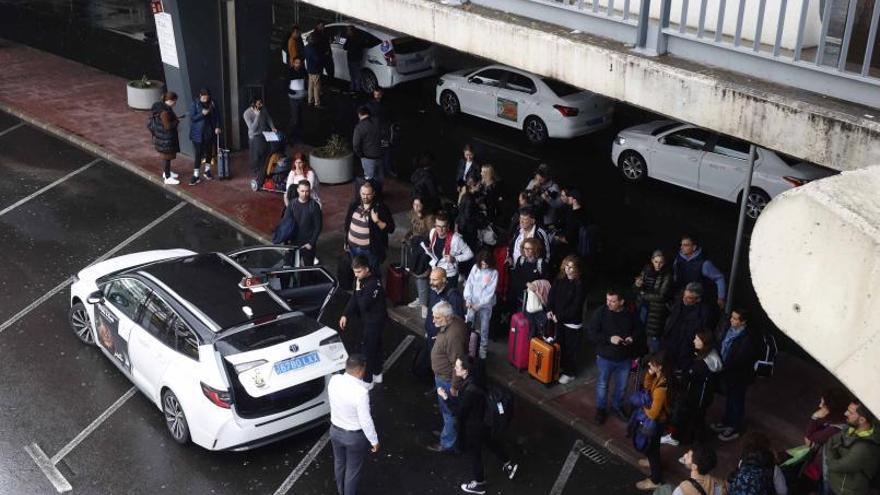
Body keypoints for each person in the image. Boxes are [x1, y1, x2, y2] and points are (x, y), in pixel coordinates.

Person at [439, 357, 518, 494]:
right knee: (491, 443)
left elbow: (459, 412)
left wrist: (445, 398)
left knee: (475, 455)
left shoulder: (470, 390)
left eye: (457, 367)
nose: (455, 368)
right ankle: (508, 463)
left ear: (465, 370)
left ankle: (479, 483)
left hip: (474, 428)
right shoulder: (476, 381)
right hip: (484, 423)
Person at [327, 353, 380, 495]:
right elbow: (365, 420)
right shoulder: (361, 393)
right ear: (360, 370)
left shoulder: (334, 380)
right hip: (354, 437)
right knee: (352, 469)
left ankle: (340, 491)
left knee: (339, 463)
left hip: (335, 431)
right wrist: (374, 440)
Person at [588, 289, 641, 425]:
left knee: (622, 386)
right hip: (605, 357)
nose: (608, 303)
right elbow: (592, 333)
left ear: (621, 302)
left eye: (612, 301)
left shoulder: (630, 314)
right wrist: (609, 339)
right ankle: (601, 409)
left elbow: (639, 330)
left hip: (624, 358)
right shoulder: (601, 312)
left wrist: (632, 338)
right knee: (602, 384)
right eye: (607, 300)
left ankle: (617, 407)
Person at [662, 330, 722, 446]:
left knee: (691, 420)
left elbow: (691, 376)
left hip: (696, 398)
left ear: (703, 342)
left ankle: (689, 443)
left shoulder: (703, 363)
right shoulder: (709, 355)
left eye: (697, 339)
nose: (694, 341)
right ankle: (687, 439)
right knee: (695, 420)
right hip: (700, 397)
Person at [710, 308, 760, 442]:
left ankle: (735, 427)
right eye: (732, 317)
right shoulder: (729, 329)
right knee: (730, 398)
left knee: (737, 400)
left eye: (735, 318)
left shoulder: (748, 338)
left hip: (738, 375)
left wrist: (724, 366)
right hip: (726, 371)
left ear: (743, 322)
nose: (731, 320)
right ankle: (727, 422)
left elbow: (740, 359)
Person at [339, 255, 388, 386]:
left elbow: (363, 304)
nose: (356, 275)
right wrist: (345, 314)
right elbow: (354, 298)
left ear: (367, 269)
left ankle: (367, 380)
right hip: (369, 320)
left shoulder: (374, 284)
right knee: (375, 348)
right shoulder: (360, 280)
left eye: (359, 271)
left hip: (375, 322)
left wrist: (359, 290)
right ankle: (377, 374)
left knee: (368, 351)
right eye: (354, 272)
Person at [789, 388, 850, 493]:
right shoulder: (840, 419)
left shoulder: (835, 429)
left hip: (819, 471)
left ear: (831, 408)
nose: (820, 405)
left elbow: (809, 438)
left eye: (823, 403)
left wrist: (815, 416)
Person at [428, 301, 469, 454]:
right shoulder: (454, 322)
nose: (433, 321)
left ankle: (447, 443)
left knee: (448, 412)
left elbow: (457, 363)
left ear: (447, 317)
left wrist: (454, 386)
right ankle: (448, 432)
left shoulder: (453, 336)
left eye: (437, 318)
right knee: (448, 412)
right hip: (444, 377)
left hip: (446, 380)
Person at [824, 400, 880, 495]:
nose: (845, 413)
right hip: (835, 483)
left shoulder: (864, 448)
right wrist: (833, 452)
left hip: (845, 491)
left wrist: (831, 453)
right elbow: (831, 440)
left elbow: (834, 465)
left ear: (862, 420)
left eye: (850, 412)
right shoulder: (850, 428)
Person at [547, 255, 586, 384]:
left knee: (571, 348)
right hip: (558, 319)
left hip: (571, 322)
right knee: (560, 344)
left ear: (577, 269)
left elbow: (575, 307)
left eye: (571, 267)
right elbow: (552, 295)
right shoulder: (560, 278)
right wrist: (550, 309)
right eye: (567, 266)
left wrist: (560, 316)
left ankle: (570, 372)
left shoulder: (580, 285)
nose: (568, 269)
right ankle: (562, 368)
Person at [636, 352, 670, 491]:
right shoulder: (660, 377)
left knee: (652, 449)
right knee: (654, 446)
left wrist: (643, 407)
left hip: (657, 422)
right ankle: (652, 463)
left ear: (660, 366)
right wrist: (650, 373)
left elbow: (653, 413)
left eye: (652, 363)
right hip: (660, 421)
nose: (649, 364)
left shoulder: (661, 389)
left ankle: (655, 479)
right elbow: (647, 386)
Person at [343, 181, 395, 273]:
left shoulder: (380, 208)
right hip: (352, 248)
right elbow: (347, 224)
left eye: (368, 194)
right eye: (363, 194)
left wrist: (377, 221)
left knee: (372, 273)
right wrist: (346, 241)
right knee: (356, 273)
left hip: (370, 251)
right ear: (360, 192)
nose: (365, 197)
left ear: (373, 193)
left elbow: (391, 228)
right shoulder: (354, 205)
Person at [662, 282, 714, 372]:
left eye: (689, 298)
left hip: (686, 352)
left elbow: (702, 334)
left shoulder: (704, 313)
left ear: (698, 299)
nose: (684, 299)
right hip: (670, 346)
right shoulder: (678, 303)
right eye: (684, 295)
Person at [673, 234, 727, 312]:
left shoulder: (704, 264)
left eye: (686, 245)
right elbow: (675, 278)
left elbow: (719, 278)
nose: (682, 247)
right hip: (680, 299)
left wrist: (721, 297)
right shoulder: (678, 261)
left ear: (694, 247)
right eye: (681, 245)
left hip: (697, 302)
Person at [635, 250, 673, 353]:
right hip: (643, 306)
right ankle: (641, 358)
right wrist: (637, 285)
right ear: (652, 261)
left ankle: (655, 361)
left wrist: (643, 294)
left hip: (656, 310)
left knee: (654, 336)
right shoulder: (646, 270)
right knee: (640, 331)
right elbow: (638, 288)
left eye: (661, 262)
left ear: (664, 262)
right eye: (656, 262)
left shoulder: (667, 275)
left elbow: (661, 296)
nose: (658, 265)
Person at [463, 250, 498, 360]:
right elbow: (469, 283)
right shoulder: (475, 268)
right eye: (482, 263)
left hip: (485, 305)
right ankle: (467, 345)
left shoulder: (494, 273)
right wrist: (468, 298)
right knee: (469, 323)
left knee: (484, 327)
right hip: (472, 302)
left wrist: (479, 304)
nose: (484, 266)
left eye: (486, 264)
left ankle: (483, 348)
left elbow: (490, 292)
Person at [422, 213, 474, 285]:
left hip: (449, 274)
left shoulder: (456, 239)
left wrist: (455, 258)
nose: (440, 230)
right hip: (435, 271)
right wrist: (430, 250)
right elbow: (434, 246)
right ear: (435, 225)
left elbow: (470, 254)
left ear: (448, 226)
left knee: (449, 295)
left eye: (443, 227)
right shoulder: (433, 232)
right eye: (438, 226)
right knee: (435, 295)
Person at [405, 196, 435, 316]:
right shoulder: (413, 214)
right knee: (417, 275)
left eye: (418, 205)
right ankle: (421, 299)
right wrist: (408, 237)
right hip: (415, 249)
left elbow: (431, 236)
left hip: (424, 251)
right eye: (414, 204)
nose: (416, 207)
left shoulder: (429, 218)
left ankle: (424, 304)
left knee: (422, 276)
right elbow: (412, 229)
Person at [188, 88, 221, 185]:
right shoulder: (194, 104)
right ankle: (196, 175)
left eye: (207, 97)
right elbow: (192, 118)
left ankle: (207, 171)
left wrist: (217, 127)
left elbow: (217, 116)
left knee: (209, 152)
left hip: (209, 132)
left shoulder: (213, 103)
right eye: (203, 97)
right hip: (197, 133)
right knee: (198, 154)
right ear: (200, 96)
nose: (205, 99)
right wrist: (202, 114)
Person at [286, 180, 322, 266]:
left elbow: (318, 226)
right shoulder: (292, 204)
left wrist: (311, 243)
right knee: (291, 267)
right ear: (298, 190)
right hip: (294, 242)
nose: (304, 194)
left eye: (307, 191)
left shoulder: (314, 206)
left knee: (308, 269)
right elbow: (286, 223)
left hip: (307, 243)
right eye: (302, 191)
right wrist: (287, 243)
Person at [508, 238, 549, 310]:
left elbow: (545, 282)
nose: (526, 250)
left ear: (535, 249)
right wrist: (526, 284)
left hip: (535, 299)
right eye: (524, 248)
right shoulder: (521, 260)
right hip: (520, 296)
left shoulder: (541, 263)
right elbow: (516, 277)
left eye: (529, 248)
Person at [425, 268, 466, 342]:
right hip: (430, 336)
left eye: (434, 280)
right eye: (430, 279)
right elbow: (430, 311)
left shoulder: (454, 296)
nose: (431, 282)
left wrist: (443, 337)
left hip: (441, 341)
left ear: (443, 280)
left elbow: (457, 321)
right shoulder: (433, 289)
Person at [149, 91, 181, 185]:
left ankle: (167, 173)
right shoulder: (164, 112)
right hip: (166, 138)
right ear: (170, 101)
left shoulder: (164, 108)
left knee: (167, 157)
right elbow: (168, 126)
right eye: (175, 101)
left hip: (164, 138)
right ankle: (167, 177)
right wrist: (176, 121)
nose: (175, 103)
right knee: (166, 157)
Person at [365, 88, 396, 179]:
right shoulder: (371, 105)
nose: (377, 94)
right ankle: (383, 170)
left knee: (384, 150)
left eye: (379, 93)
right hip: (377, 132)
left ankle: (385, 169)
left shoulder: (381, 105)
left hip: (381, 132)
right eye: (376, 92)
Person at [242, 97, 276, 177]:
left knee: (265, 151)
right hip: (254, 136)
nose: (261, 105)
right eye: (259, 104)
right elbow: (252, 128)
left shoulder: (263, 109)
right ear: (253, 104)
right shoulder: (247, 113)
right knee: (256, 155)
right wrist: (257, 116)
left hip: (264, 133)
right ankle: (255, 171)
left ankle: (264, 169)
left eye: (261, 103)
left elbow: (268, 118)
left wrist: (272, 127)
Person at [525, 163, 563, 228]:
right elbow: (525, 198)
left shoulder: (553, 187)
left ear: (547, 176)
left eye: (542, 176)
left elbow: (559, 204)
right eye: (538, 174)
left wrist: (547, 199)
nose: (539, 177)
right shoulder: (533, 182)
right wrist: (533, 189)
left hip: (545, 220)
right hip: (531, 216)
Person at [352, 106, 384, 183]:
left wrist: (360, 155)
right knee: (379, 178)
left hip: (367, 157)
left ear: (359, 114)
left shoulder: (359, 127)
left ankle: (372, 194)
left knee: (369, 179)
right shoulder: (378, 122)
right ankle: (379, 193)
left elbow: (356, 144)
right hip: (380, 155)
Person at [286, 56, 308, 143]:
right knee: (295, 118)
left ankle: (299, 137)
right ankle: (288, 136)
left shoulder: (303, 70)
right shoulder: (290, 71)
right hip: (294, 98)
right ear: (293, 63)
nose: (298, 64)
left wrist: (306, 91)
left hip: (301, 97)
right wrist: (291, 92)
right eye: (296, 63)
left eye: (299, 63)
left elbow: (306, 80)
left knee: (301, 118)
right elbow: (285, 84)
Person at [343, 25, 365, 93]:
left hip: (352, 59)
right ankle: (356, 89)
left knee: (353, 75)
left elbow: (345, 47)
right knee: (357, 75)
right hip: (358, 59)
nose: (347, 32)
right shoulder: (359, 37)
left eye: (348, 30)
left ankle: (354, 89)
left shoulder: (350, 38)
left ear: (351, 31)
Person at [304, 34, 324, 108]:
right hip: (315, 70)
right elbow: (317, 60)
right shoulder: (314, 49)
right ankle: (317, 103)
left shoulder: (306, 47)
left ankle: (310, 100)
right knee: (316, 87)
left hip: (309, 69)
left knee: (310, 86)